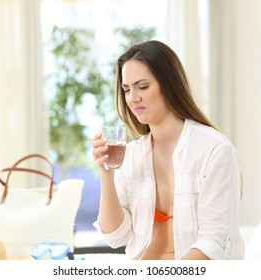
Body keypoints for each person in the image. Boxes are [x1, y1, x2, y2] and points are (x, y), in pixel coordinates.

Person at [91, 40, 244, 260]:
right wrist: (106, 173)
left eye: (142, 86)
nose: (133, 98)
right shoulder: (131, 154)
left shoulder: (215, 150)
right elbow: (115, 235)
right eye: (127, 89)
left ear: (169, 84)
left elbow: (214, 243)